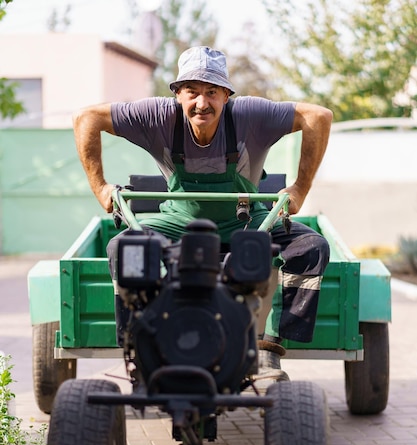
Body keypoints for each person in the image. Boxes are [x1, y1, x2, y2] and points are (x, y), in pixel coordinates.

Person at [73, 45, 332, 372]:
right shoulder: (157, 117)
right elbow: (86, 118)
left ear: (226, 95)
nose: (201, 102)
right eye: (192, 91)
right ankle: (140, 343)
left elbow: (318, 117)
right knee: (125, 248)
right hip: (177, 221)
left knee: (311, 248)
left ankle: (273, 339)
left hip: (246, 223)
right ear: (177, 94)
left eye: (212, 92)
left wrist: (299, 188)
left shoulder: (250, 115)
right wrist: (101, 187)